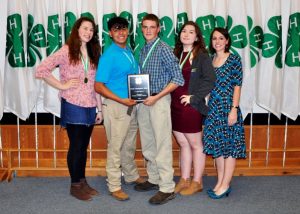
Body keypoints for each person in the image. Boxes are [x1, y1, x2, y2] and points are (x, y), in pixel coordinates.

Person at [36, 17, 102, 201]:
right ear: (77, 29)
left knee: (83, 147)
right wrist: (62, 86)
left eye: (91, 30)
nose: (88, 32)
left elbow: (95, 82)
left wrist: (100, 108)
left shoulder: (93, 51)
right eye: (85, 28)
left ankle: (82, 181)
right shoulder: (66, 50)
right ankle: (75, 185)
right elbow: (41, 70)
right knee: (77, 146)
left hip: (90, 104)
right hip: (73, 103)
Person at [134, 14, 184, 205]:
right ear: (141, 28)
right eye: (145, 27)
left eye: (152, 27)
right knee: (148, 142)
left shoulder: (163, 49)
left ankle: (167, 187)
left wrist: (157, 96)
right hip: (144, 101)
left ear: (158, 29)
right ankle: (154, 178)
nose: (148, 30)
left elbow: (178, 78)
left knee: (162, 143)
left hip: (159, 100)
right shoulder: (143, 48)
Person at [94, 17, 145, 201]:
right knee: (115, 146)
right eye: (116, 30)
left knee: (129, 144)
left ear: (128, 31)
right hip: (117, 106)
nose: (121, 33)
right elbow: (98, 86)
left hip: (131, 106)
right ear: (110, 33)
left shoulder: (128, 51)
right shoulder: (109, 55)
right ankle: (114, 185)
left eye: (124, 29)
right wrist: (121, 100)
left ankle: (130, 175)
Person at [171, 21, 215, 196]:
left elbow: (210, 80)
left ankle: (197, 181)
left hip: (191, 106)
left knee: (196, 145)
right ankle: (184, 179)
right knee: (183, 143)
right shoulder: (176, 54)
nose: (186, 34)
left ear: (197, 37)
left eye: (191, 32)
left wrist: (194, 97)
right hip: (174, 104)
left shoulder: (201, 55)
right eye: (184, 31)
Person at [203, 27, 246, 199]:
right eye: (214, 38)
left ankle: (225, 184)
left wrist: (234, 110)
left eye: (221, 38)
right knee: (218, 148)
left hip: (228, 108)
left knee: (229, 148)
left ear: (227, 41)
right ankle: (220, 181)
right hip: (214, 109)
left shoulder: (234, 59)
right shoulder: (211, 59)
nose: (218, 41)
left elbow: (237, 86)